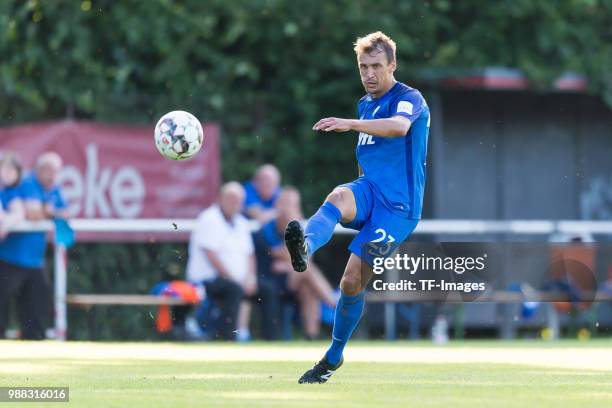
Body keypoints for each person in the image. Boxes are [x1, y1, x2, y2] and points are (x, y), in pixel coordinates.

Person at [284, 32, 430, 383]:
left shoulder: (409, 98)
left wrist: (350, 124)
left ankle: (332, 358)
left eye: (376, 66)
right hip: (370, 190)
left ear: (392, 65)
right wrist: (358, 191)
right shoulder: (365, 104)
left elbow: (398, 128)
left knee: (351, 282)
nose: (369, 74)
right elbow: (366, 156)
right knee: (336, 197)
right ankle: (305, 244)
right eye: (363, 67)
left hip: (399, 211)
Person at [259, 187, 337, 339]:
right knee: (305, 271)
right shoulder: (268, 228)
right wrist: (289, 258)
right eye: (285, 204)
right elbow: (277, 254)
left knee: (308, 289)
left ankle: (311, 337)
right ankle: (334, 303)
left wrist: (287, 263)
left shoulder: (303, 227)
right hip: (273, 279)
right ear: (277, 206)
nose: (289, 209)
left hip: (293, 276)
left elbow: (306, 257)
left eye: (293, 205)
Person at [186, 182, 257, 341]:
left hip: (234, 281)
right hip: (206, 281)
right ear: (220, 198)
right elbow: (211, 255)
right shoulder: (209, 218)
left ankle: (260, 336)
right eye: (231, 199)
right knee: (234, 289)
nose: (235, 203)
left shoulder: (241, 223)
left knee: (268, 290)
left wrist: (250, 279)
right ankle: (229, 337)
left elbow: (250, 255)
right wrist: (235, 280)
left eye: (239, 200)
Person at [0, 154, 41, 339]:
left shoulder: (21, 189)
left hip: (28, 260)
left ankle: (33, 337)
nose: (5, 174)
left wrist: (5, 224)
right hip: (8, 257)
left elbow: (27, 212)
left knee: (33, 302)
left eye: (10, 169)